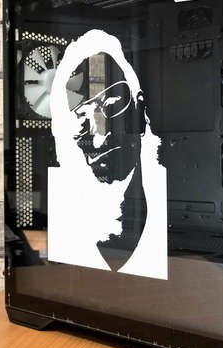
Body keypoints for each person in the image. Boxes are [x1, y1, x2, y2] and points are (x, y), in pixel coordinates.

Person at [47, 29, 167, 280]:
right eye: (81, 118)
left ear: (139, 108)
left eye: (111, 105)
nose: (99, 137)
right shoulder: (69, 235)